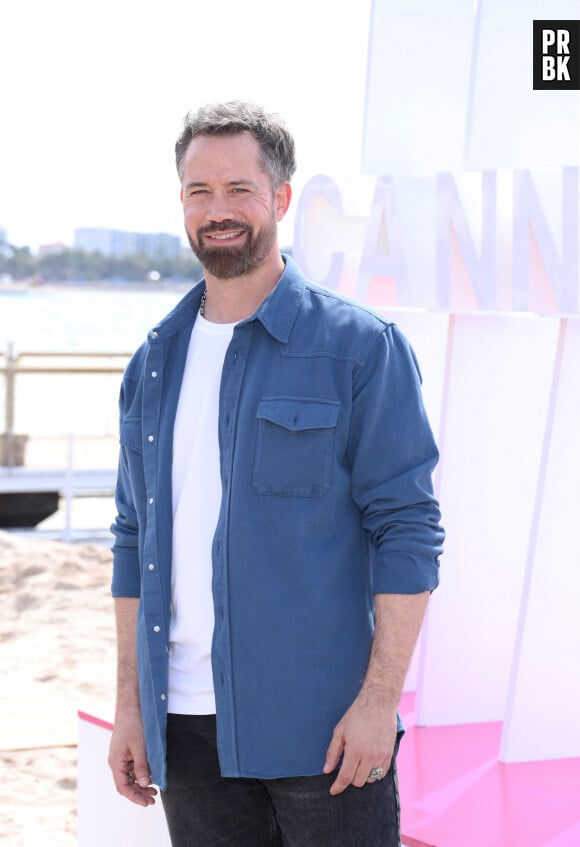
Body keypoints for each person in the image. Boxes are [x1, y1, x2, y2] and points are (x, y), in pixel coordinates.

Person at [108, 100, 444, 847]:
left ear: (281, 198)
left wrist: (377, 701)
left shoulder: (361, 348)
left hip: (323, 731)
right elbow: (133, 539)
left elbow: (409, 530)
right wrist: (132, 705)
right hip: (187, 733)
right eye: (199, 191)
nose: (217, 210)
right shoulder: (152, 363)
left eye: (238, 189)